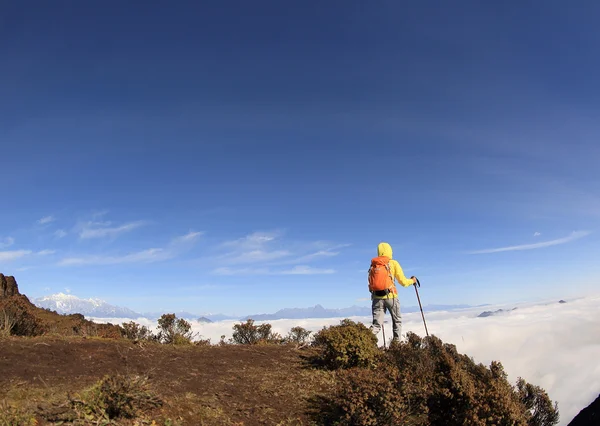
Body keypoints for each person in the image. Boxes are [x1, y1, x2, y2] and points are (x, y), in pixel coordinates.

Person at [368, 241, 417, 343]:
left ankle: (363, 341)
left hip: (376, 298)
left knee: (376, 325)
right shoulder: (393, 263)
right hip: (391, 297)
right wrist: (412, 281)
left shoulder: (373, 265)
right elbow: (403, 282)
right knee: (397, 321)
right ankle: (396, 346)